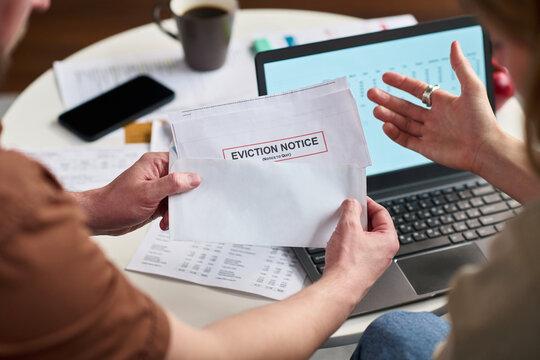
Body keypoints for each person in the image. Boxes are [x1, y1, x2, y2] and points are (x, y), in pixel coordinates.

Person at [0, 1, 399, 359]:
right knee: (400, 334)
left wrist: (93, 207)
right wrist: (347, 279)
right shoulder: (18, 207)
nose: (40, 2)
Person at [353, 0, 540, 358]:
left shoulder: (529, 254)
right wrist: (485, 148)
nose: (507, 68)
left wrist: (343, 281)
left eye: (502, 44)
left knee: (393, 332)